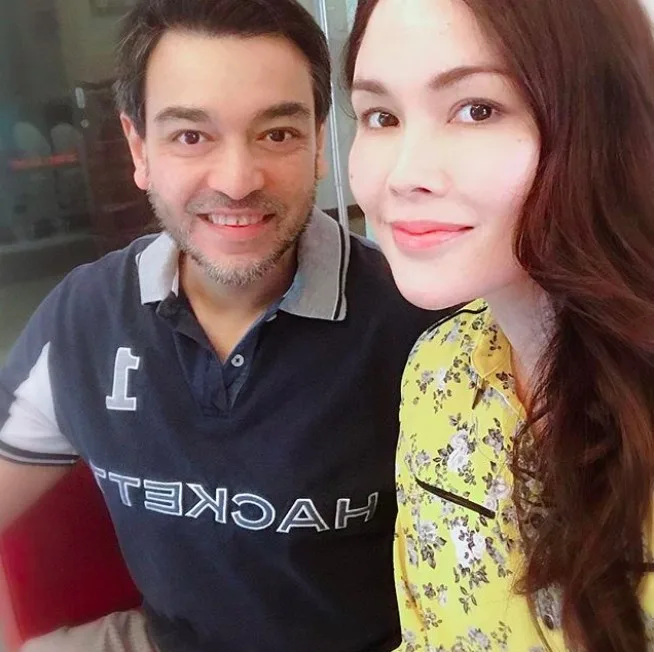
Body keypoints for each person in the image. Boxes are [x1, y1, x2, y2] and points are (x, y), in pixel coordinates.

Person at [0, 1, 442, 651]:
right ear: (138, 149)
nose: (237, 181)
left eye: (277, 134)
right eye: (191, 136)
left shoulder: (418, 324)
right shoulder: (85, 315)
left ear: (319, 143)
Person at [345, 0, 654, 650]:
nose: (404, 175)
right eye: (381, 116)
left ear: (604, 121)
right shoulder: (438, 368)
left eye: (477, 109)